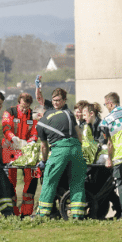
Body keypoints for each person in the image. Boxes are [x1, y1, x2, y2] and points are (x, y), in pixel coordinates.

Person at [32, 86, 87, 220]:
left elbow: (44, 147)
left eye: (58, 100)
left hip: (59, 150)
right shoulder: (69, 113)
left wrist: (44, 161)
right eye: (54, 100)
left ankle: (42, 214)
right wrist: (81, 149)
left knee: (49, 180)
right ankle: (78, 215)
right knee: (77, 181)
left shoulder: (41, 124)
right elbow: (79, 133)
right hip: (75, 148)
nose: (56, 103)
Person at [1, 92, 40, 216]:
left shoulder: (31, 116)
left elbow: (35, 131)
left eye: (27, 107)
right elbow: (6, 128)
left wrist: (31, 141)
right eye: (22, 106)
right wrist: (14, 139)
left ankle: (26, 213)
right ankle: (12, 213)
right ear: (18, 103)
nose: (24, 109)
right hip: (10, 149)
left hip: (26, 149)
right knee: (10, 181)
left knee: (31, 179)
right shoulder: (9, 112)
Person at [76, 102, 115, 219]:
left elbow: (102, 144)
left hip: (102, 161)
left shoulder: (101, 126)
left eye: (84, 114)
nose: (83, 117)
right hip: (98, 159)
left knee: (102, 187)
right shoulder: (90, 125)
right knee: (103, 188)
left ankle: (115, 209)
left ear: (91, 114)